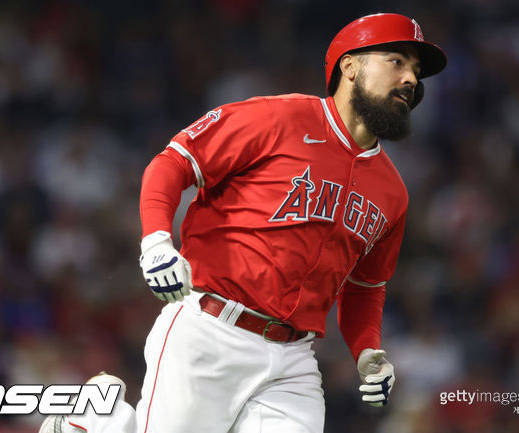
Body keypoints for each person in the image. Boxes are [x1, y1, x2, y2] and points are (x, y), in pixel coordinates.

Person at [40, 12, 446, 433]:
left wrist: (366, 350)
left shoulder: (393, 192)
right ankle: (97, 420)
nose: (411, 79)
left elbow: (365, 286)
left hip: (294, 362)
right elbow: (173, 163)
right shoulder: (277, 117)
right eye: (396, 61)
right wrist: (156, 241)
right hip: (211, 330)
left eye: (416, 71)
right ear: (350, 66)